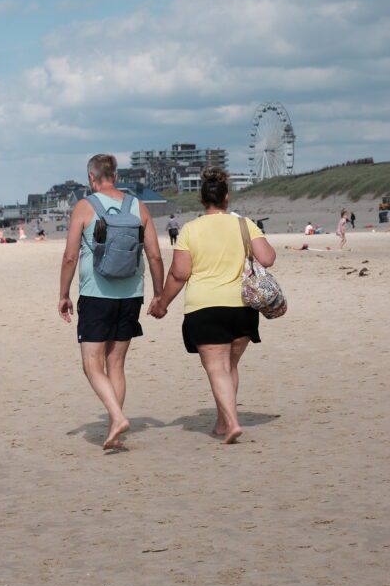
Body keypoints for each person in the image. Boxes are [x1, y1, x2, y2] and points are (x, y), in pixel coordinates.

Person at [149, 167, 276, 445]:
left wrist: (162, 303)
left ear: (202, 199)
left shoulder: (190, 230)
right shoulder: (244, 224)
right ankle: (222, 422)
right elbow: (267, 258)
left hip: (204, 308)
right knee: (230, 366)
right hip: (242, 307)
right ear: (226, 197)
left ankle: (231, 424)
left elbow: (179, 273)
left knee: (217, 369)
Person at [58, 154, 165, 449]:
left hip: (95, 294)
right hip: (131, 295)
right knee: (115, 364)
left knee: (92, 365)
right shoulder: (137, 206)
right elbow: (154, 255)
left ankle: (117, 418)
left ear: (91, 178)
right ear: (115, 176)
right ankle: (115, 430)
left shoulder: (84, 206)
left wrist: (64, 294)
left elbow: (69, 256)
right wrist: (159, 293)